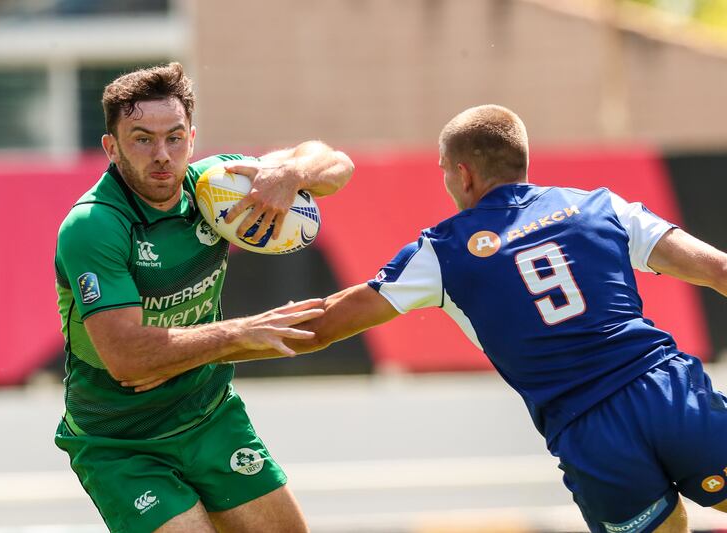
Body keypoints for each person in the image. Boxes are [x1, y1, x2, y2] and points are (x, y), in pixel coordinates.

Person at [127, 104, 727, 531]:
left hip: (590, 433)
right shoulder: (603, 206)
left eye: (444, 173)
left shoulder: (444, 249)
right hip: (666, 391)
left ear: (462, 173)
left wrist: (195, 346)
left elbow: (324, 324)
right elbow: (718, 271)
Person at [53, 62, 354, 533]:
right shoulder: (94, 226)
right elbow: (129, 359)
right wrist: (240, 332)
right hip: (119, 440)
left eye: (175, 137)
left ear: (193, 137)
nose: (162, 155)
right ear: (111, 147)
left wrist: (291, 172)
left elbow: (335, 164)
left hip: (211, 416)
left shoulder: (215, 186)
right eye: (142, 138)